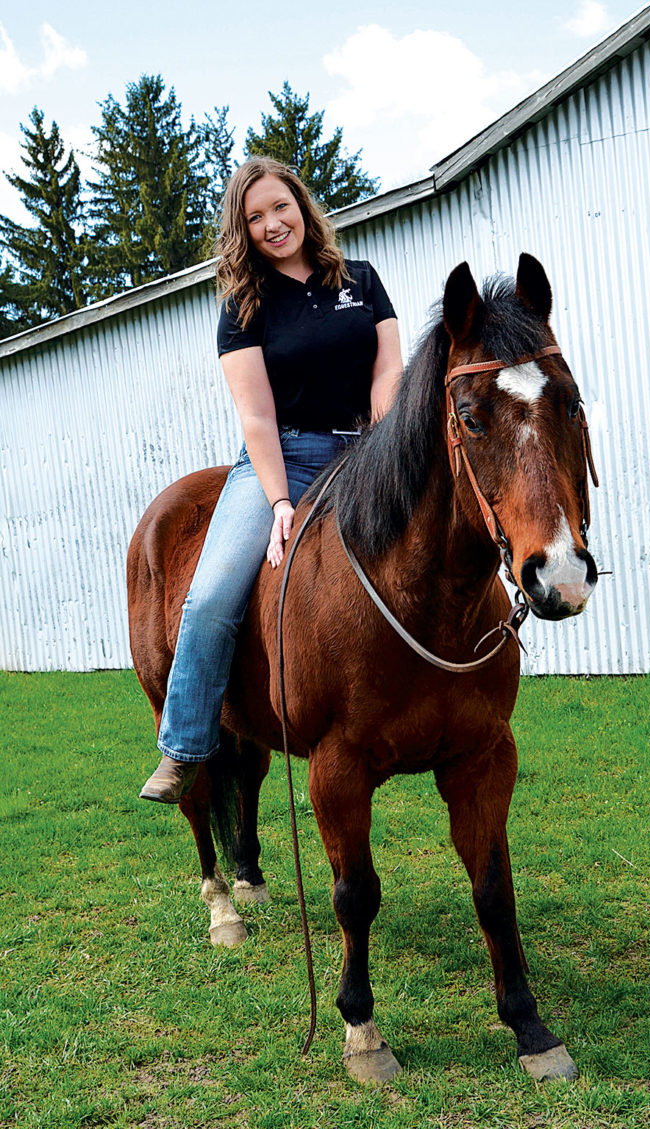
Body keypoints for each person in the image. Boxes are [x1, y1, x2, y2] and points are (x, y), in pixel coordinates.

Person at [140, 157, 402, 803]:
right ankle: (185, 748)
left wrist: (385, 448)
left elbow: (388, 371)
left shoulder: (362, 280)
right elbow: (255, 414)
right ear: (243, 231)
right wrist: (281, 500)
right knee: (211, 594)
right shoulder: (244, 304)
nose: (271, 224)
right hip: (282, 457)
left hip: (367, 450)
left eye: (279, 207)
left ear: (301, 207)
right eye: (254, 218)